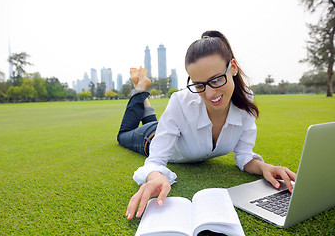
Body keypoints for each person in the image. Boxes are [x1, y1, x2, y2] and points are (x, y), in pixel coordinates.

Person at [117, 30, 297, 220]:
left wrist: (263, 167)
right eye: (199, 84)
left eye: (217, 79)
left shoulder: (245, 102)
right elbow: (155, 160)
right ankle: (139, 89)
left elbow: (244, 155)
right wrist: (155, 176)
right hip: (151, 137)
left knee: (157, 123)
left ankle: (146, 104)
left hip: (166, 128)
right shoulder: (180, 101)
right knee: (123, 135)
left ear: (233, 67)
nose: (210, 93)